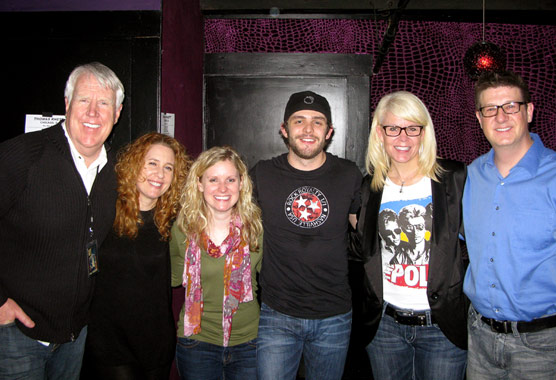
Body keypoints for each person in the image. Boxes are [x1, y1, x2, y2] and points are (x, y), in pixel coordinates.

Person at [0, 62, 124, 379]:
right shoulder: (23, 155)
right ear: (67, 104)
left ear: (118, 112)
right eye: (84, 100)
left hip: (74, 337)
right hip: (16, 335)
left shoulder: (114, 174)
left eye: (104, 103)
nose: (93, 113)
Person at [351, 91, 468, 380]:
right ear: (380, 132)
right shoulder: (369, 188)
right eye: (393, 128)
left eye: (412, 128)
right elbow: (361, 253)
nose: (403, 138)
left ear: (423, 132)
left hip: (441, 327)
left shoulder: (454, 178)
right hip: (385, 327)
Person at [463, 70, 556, 380]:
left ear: (529, 111)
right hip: (480, 338)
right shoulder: (469, 177)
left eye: (511, 106)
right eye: (490, 109)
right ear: (479, 118)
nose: (501, 117)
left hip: (543, 346)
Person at [250, 90, 362, 380]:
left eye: (318, 121)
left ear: (329, 132)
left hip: (334, 315)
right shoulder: (262, 174)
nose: (308, 129)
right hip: (277, 314)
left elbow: (365, 231)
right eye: (299, 121)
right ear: (284, 130)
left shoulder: (349, 174)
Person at [83, 132, 190, 379]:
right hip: (109, 342)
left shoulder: (173, 221)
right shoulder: (104, 211)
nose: (159, 174)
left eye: (168, 168)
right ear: (134, 164)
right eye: (151, 163)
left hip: (155, 342)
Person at [170, 146, 263, 380]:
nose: (223, 188)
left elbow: (274, 279)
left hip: (248, 342)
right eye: (213, 179)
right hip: (197, 343)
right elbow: (170, 277)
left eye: (230, 179)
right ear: (200, 184)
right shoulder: (183, 229)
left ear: (241, 183)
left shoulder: (256, 229)